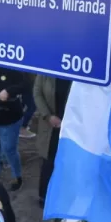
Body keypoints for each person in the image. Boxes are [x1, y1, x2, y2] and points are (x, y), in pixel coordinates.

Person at [33, 75, 72, 204]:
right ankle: (44, 196)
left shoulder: (79, 69)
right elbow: (37, 92)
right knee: (48, 161)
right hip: (50, 126)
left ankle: (64, 196)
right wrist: (48, 116)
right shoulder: (47, 69)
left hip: (71, 127)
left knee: (68, 161)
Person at [19, 73, 37, 139]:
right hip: (27, 85)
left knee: (22, 105)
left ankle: (20, 125)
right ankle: (22, 127)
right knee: (32, 106)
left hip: (27, 83)